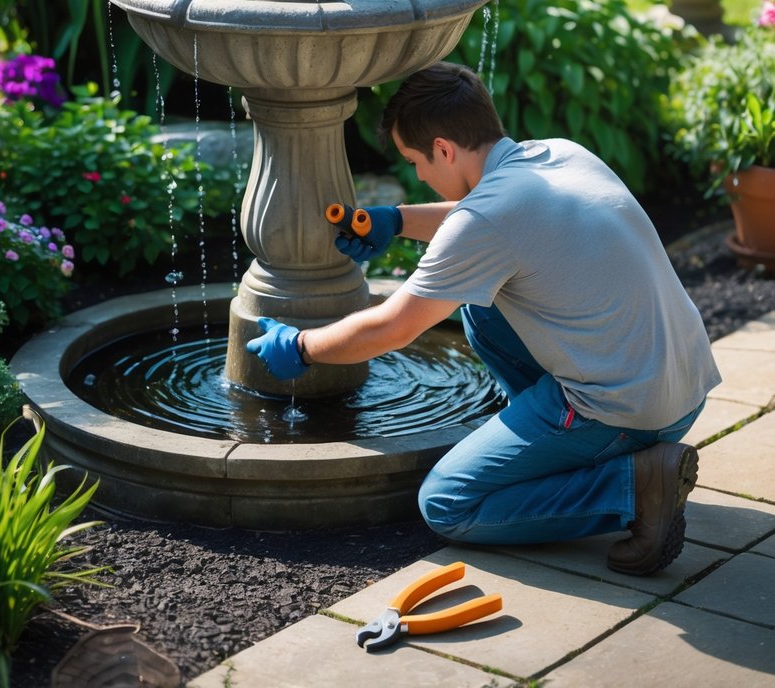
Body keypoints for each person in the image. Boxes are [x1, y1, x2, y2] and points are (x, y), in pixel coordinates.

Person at [247, 61, 720, 575]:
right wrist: (398, 220)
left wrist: (301, 347)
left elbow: (392, 327)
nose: (420, 175)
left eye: (416, 161)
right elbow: (487, 219)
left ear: (445, 149)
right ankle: (574, 454)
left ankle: (633, 486)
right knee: (481, 310)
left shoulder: (486, 220)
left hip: (629, 413)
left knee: (448, 505)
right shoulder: (561, 155)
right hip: (685, 390)